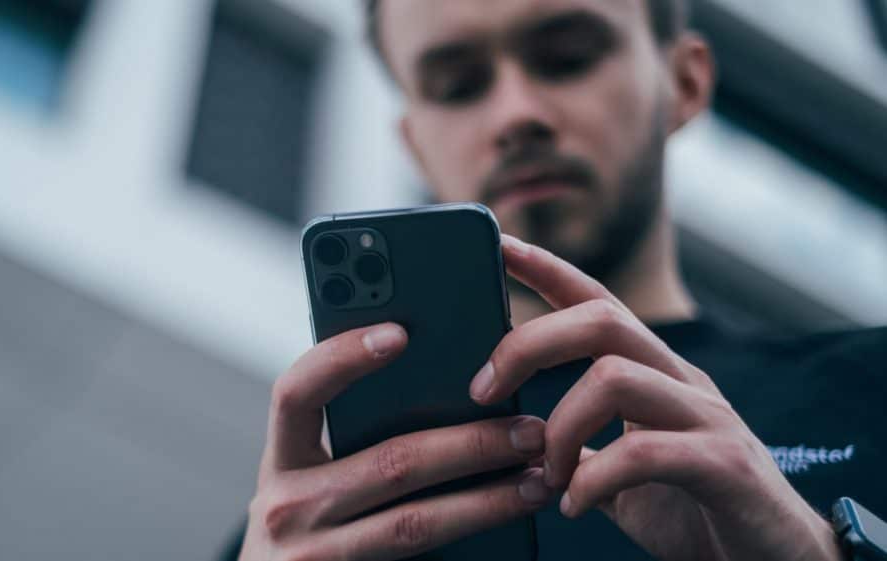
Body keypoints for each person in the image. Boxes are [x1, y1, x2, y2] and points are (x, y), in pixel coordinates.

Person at [225, 1, 887, 559]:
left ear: (682, 83)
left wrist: (811, 549)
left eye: (568, 56)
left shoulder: (872, 385)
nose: (515, 115)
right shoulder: (310, 513)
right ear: (417, 145)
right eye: (458, 86)